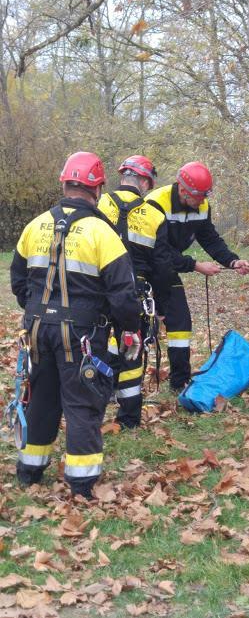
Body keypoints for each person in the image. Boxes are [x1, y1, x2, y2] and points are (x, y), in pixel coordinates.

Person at [10, 151, 141, 499]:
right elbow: (123, 294)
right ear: (97, 189)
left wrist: (38, 310)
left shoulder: (34, 225)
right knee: (82, 402)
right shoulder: (102, 233)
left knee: (42, 398)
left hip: (38, 330)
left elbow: (18, 280)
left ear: (64, 184)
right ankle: (81, 483)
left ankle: (30, 471)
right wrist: (128, 328)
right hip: (82, 335)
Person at [145, 161, 249, 392]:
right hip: (142, 268)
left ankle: (179, 382)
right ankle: (116, 384)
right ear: (183, 190)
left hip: (168, 269)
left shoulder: (202, 206)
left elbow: (210, 238)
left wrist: (232, 261)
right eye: (199, 196)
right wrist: (194, 265)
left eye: (205, 195)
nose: (203, 201)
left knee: (180, 323)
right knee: (135, 327)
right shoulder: (156, 203)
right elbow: (157, 250)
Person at [98, 155, 173, 428]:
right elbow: (162, 268)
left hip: (98, 292)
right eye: (148, 183)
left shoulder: (99, 203)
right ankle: (129, 417)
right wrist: (162, 308)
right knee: (132, 350)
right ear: (143, 181)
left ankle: (96, 402)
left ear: (123, 177)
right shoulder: (154, 215)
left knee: (95, 347)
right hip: (136, 295)